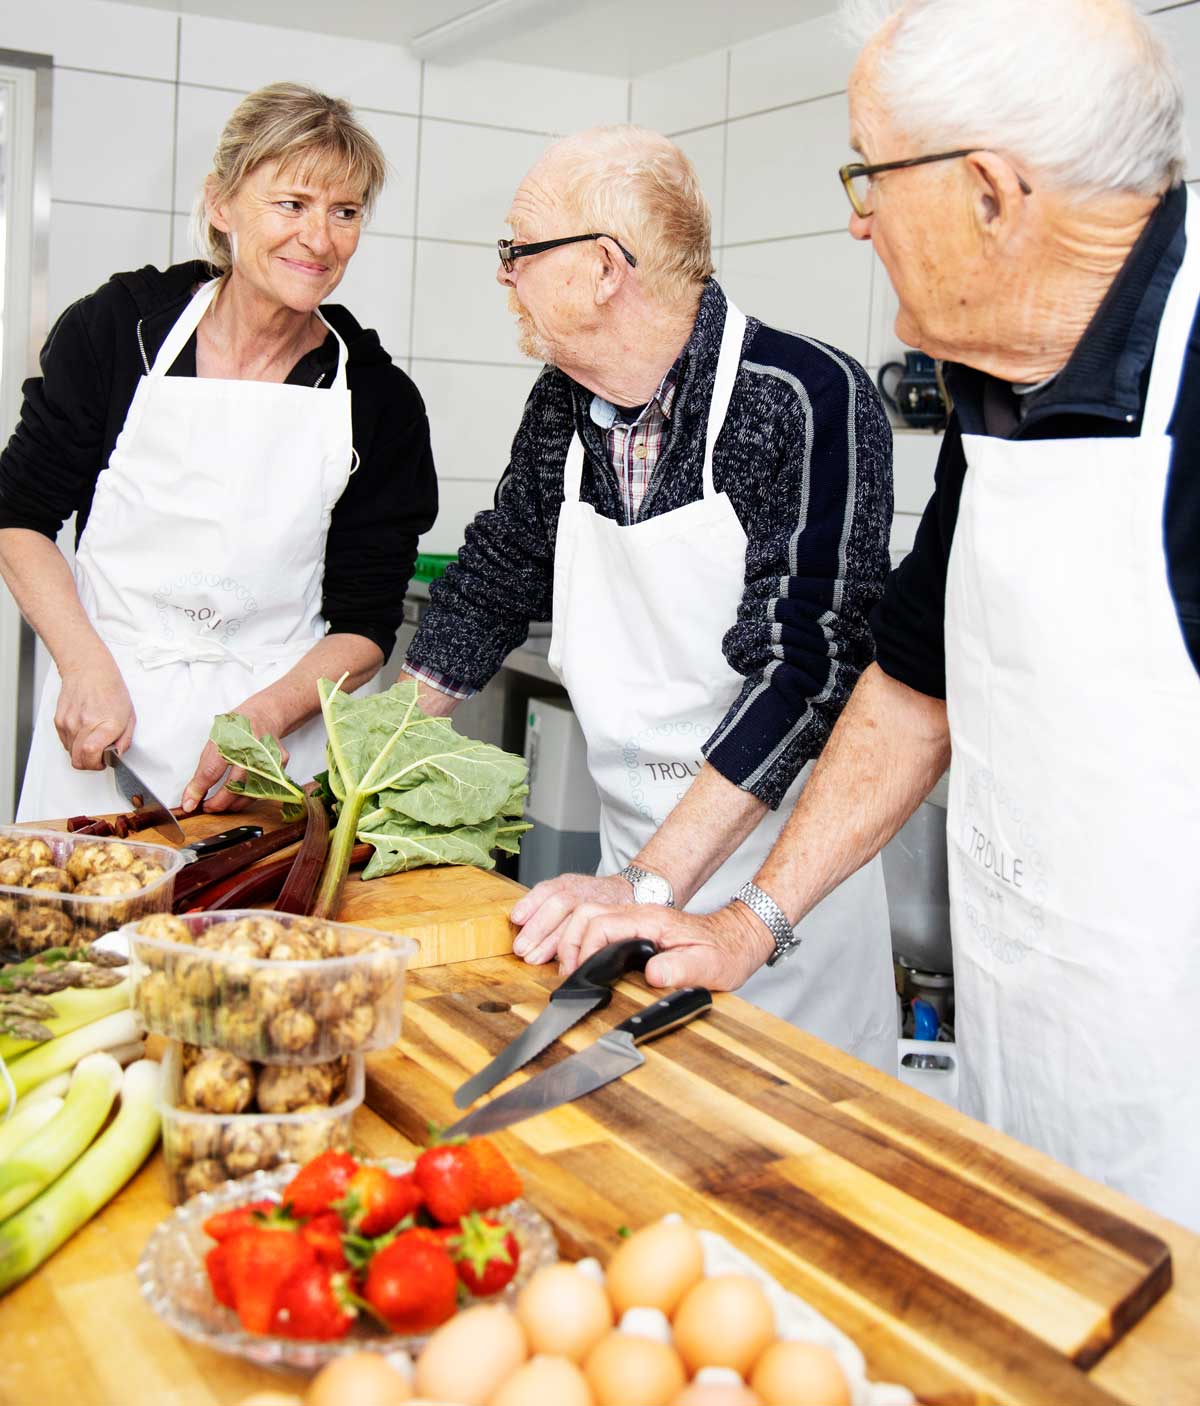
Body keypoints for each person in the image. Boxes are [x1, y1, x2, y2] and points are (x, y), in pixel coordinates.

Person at [569, 0, 1200, 1228]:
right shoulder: (998, 381)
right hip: (1033, 1069)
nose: (855, 215)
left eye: (869, 172)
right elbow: (916, 681)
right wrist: (748, 917)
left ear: (990, 192)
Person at [403, 125, 899, 1071]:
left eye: (519, 250)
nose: (505, 274)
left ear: (600, 269)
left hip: (775, 898)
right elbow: (502, 569)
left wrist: (652, 882)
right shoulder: (562, 405)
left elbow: (805, 668)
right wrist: (373, 753)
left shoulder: (801, 397)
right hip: (637, 874)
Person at [0, 83, 436, 820]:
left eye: (345, 212)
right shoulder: (119, 329)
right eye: (291, 204)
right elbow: (20, 518)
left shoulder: (377, 398)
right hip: (101, 721)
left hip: (266, 754)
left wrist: (264, 720)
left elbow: (364, 625)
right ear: (221, 204)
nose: (320, 238)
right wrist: (82, 666)